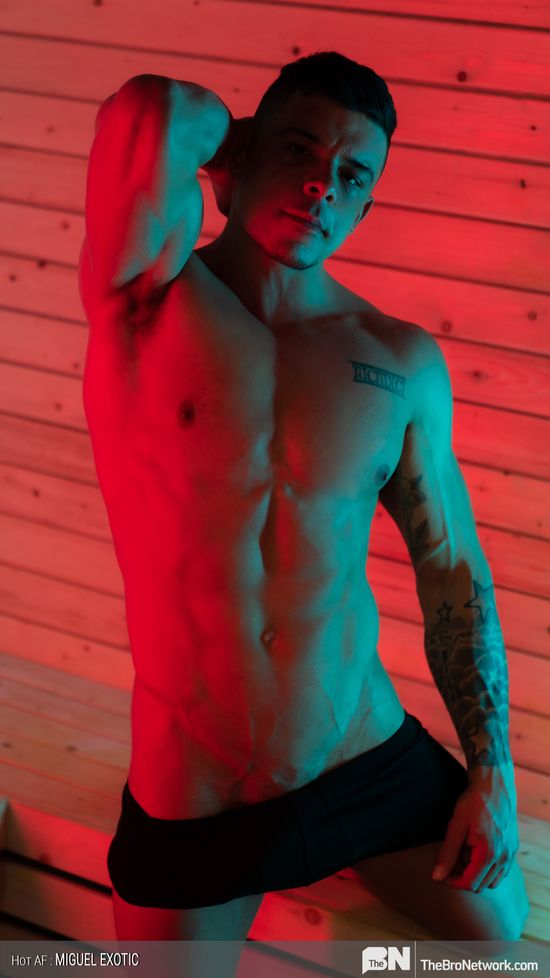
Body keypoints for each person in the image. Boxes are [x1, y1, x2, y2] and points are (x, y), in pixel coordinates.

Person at [79, 51, 529, 955]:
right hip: (197, 789)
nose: (324, 186)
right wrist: (235, 148)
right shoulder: (147, 298)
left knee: (498, 943)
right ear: (238, 154)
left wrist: (494, 774)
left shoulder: (398, 360)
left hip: (360, 757)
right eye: (300, 152)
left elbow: (452, 569)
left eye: (352, 177)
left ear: (365, 207)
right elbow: (149, 112)